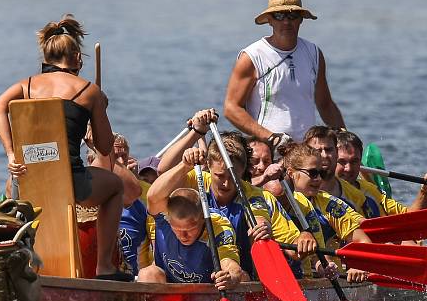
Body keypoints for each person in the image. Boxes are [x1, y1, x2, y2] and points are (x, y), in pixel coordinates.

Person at [0, 14, 132, 281]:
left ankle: (24, 265)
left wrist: (11, 153)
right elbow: (104, 147)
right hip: (71, 182)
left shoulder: (26, 85)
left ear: (45, 60)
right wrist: (100, 108)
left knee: (16, 185)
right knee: (115, 186)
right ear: (77, 58)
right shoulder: (89, 91)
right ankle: (104, 267)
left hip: (27, 182)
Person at [157, 110, 315, 279]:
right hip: (198, 274)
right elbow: (162, 170)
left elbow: (294, 252)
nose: (226, 183)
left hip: (240, 278)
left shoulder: (258, 197)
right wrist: (196, 133)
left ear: (242, 172)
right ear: (209, 166)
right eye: (219, 176)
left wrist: (304, 239)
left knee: (256, 236)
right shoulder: (199, 181)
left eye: (233, 177)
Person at [224, 0, 345, 149]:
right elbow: (231, 108)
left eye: (292, 15)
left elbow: (325, 105)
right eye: (279, 15)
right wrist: (272, 138)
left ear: (301, 19)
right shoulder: (252, 57)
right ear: (269, 20)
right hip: (267, 153)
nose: (286, 21)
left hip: (306, 153)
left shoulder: (314, 53)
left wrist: (345, 140)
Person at [279, 141, 372, 283]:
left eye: (321, 173)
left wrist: (358, 266)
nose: (318, 179)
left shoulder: (329, 204)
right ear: (291, 173)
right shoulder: (272, 199)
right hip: (284, 274)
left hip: (320, 276)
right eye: (312, 173)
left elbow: (362, 241)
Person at [304, 126, 427, 219]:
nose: (349, 169)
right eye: (342, 162)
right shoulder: (307, 190)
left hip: (368, 247)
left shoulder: (368, 192)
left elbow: (410, 219)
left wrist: (425, 192)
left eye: (354, 162)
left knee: (410, 242)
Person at [139, 187, 243, 290]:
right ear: (169, 218)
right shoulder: (162, 217)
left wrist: (230, 277)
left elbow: (230, 264)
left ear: (202, 218)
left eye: (190, 229)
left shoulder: (218, 226)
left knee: (243, 278)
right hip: (168, 289)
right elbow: (152, 195)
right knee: (147, 273)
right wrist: (185, 168)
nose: (183, 236)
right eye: (177, 229)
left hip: (208, 292)